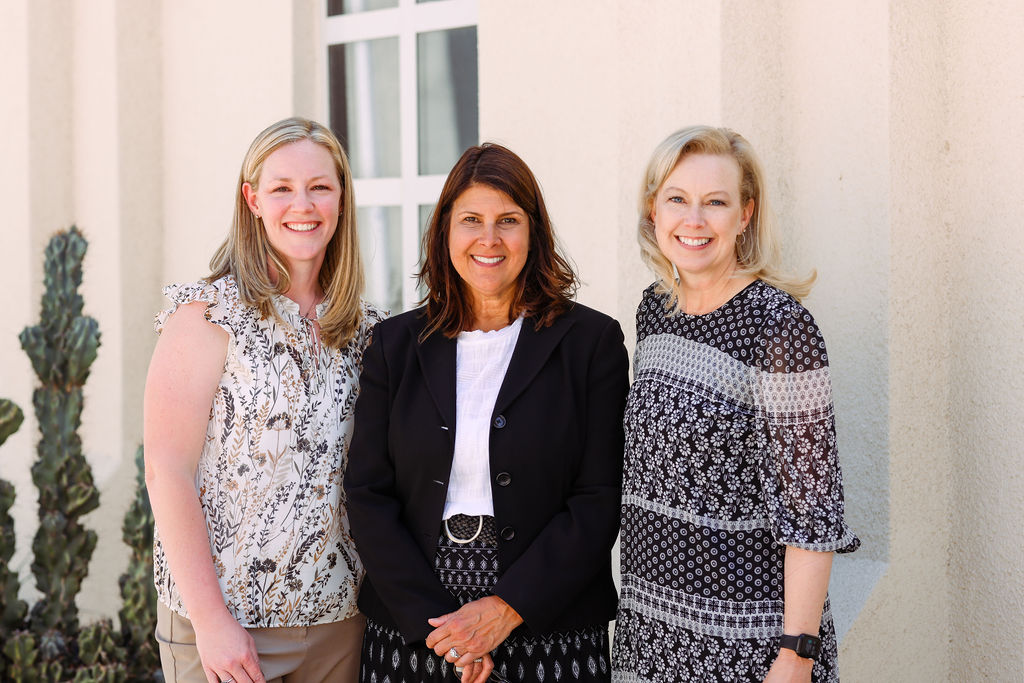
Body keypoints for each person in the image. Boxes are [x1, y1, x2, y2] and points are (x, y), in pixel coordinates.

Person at [345, 143, 629, 683]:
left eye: (508, 221)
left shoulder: (591, 342)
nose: (489, 239)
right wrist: (444, 633)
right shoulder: (394, 345)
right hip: (415, 619)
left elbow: (598, 498)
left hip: (548, 618)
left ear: (534, 232)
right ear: (445, 231)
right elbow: (366, 494)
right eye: (471, 220)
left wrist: (506, 609)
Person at [610, 126, 860, 683]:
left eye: (715, 202)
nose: (693, 220)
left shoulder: (780, 326)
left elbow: (812, 514)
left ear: (745, 215)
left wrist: (796, 656)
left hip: (746, 647)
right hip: (649, 637)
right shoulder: (656, 310)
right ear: (654, 209)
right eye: (677, 199)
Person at [144, 117, 384, 683]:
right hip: (226, 631)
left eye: (320, 186)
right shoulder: (206, 318)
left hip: (336, 623)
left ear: (342, 197)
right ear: (252, 199)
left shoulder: (367, 331)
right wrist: (210, 622)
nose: (303, 204)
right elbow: (166, 471)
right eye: (281, 188)